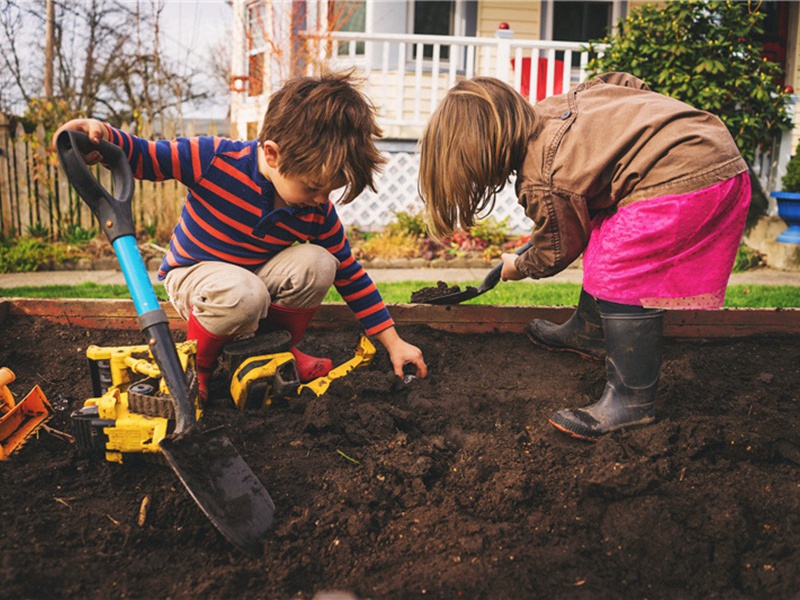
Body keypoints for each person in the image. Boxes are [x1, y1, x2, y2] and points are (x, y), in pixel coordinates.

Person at [55, 71, 427, 402]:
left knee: (320, 262)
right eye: (314, 187)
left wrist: (394, 342)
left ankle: (276, 352)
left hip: (253, 286)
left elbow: (349, 274)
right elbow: (144, 156)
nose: (320, 199)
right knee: (243, 292)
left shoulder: (316, 212)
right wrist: (100, 137)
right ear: (272, 153)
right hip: (195, 278)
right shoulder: (215, 159)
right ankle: (195, 368)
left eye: (328, 191)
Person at [418, 72, 750, 440]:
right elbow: (624, 81)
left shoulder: (542, 174)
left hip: (689, 176)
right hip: (709, 150)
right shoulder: (556, 109)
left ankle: (631, 401)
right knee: (605, 234)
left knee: (619, 269)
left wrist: (519, 266)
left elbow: (557, 250)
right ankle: (588, 332)